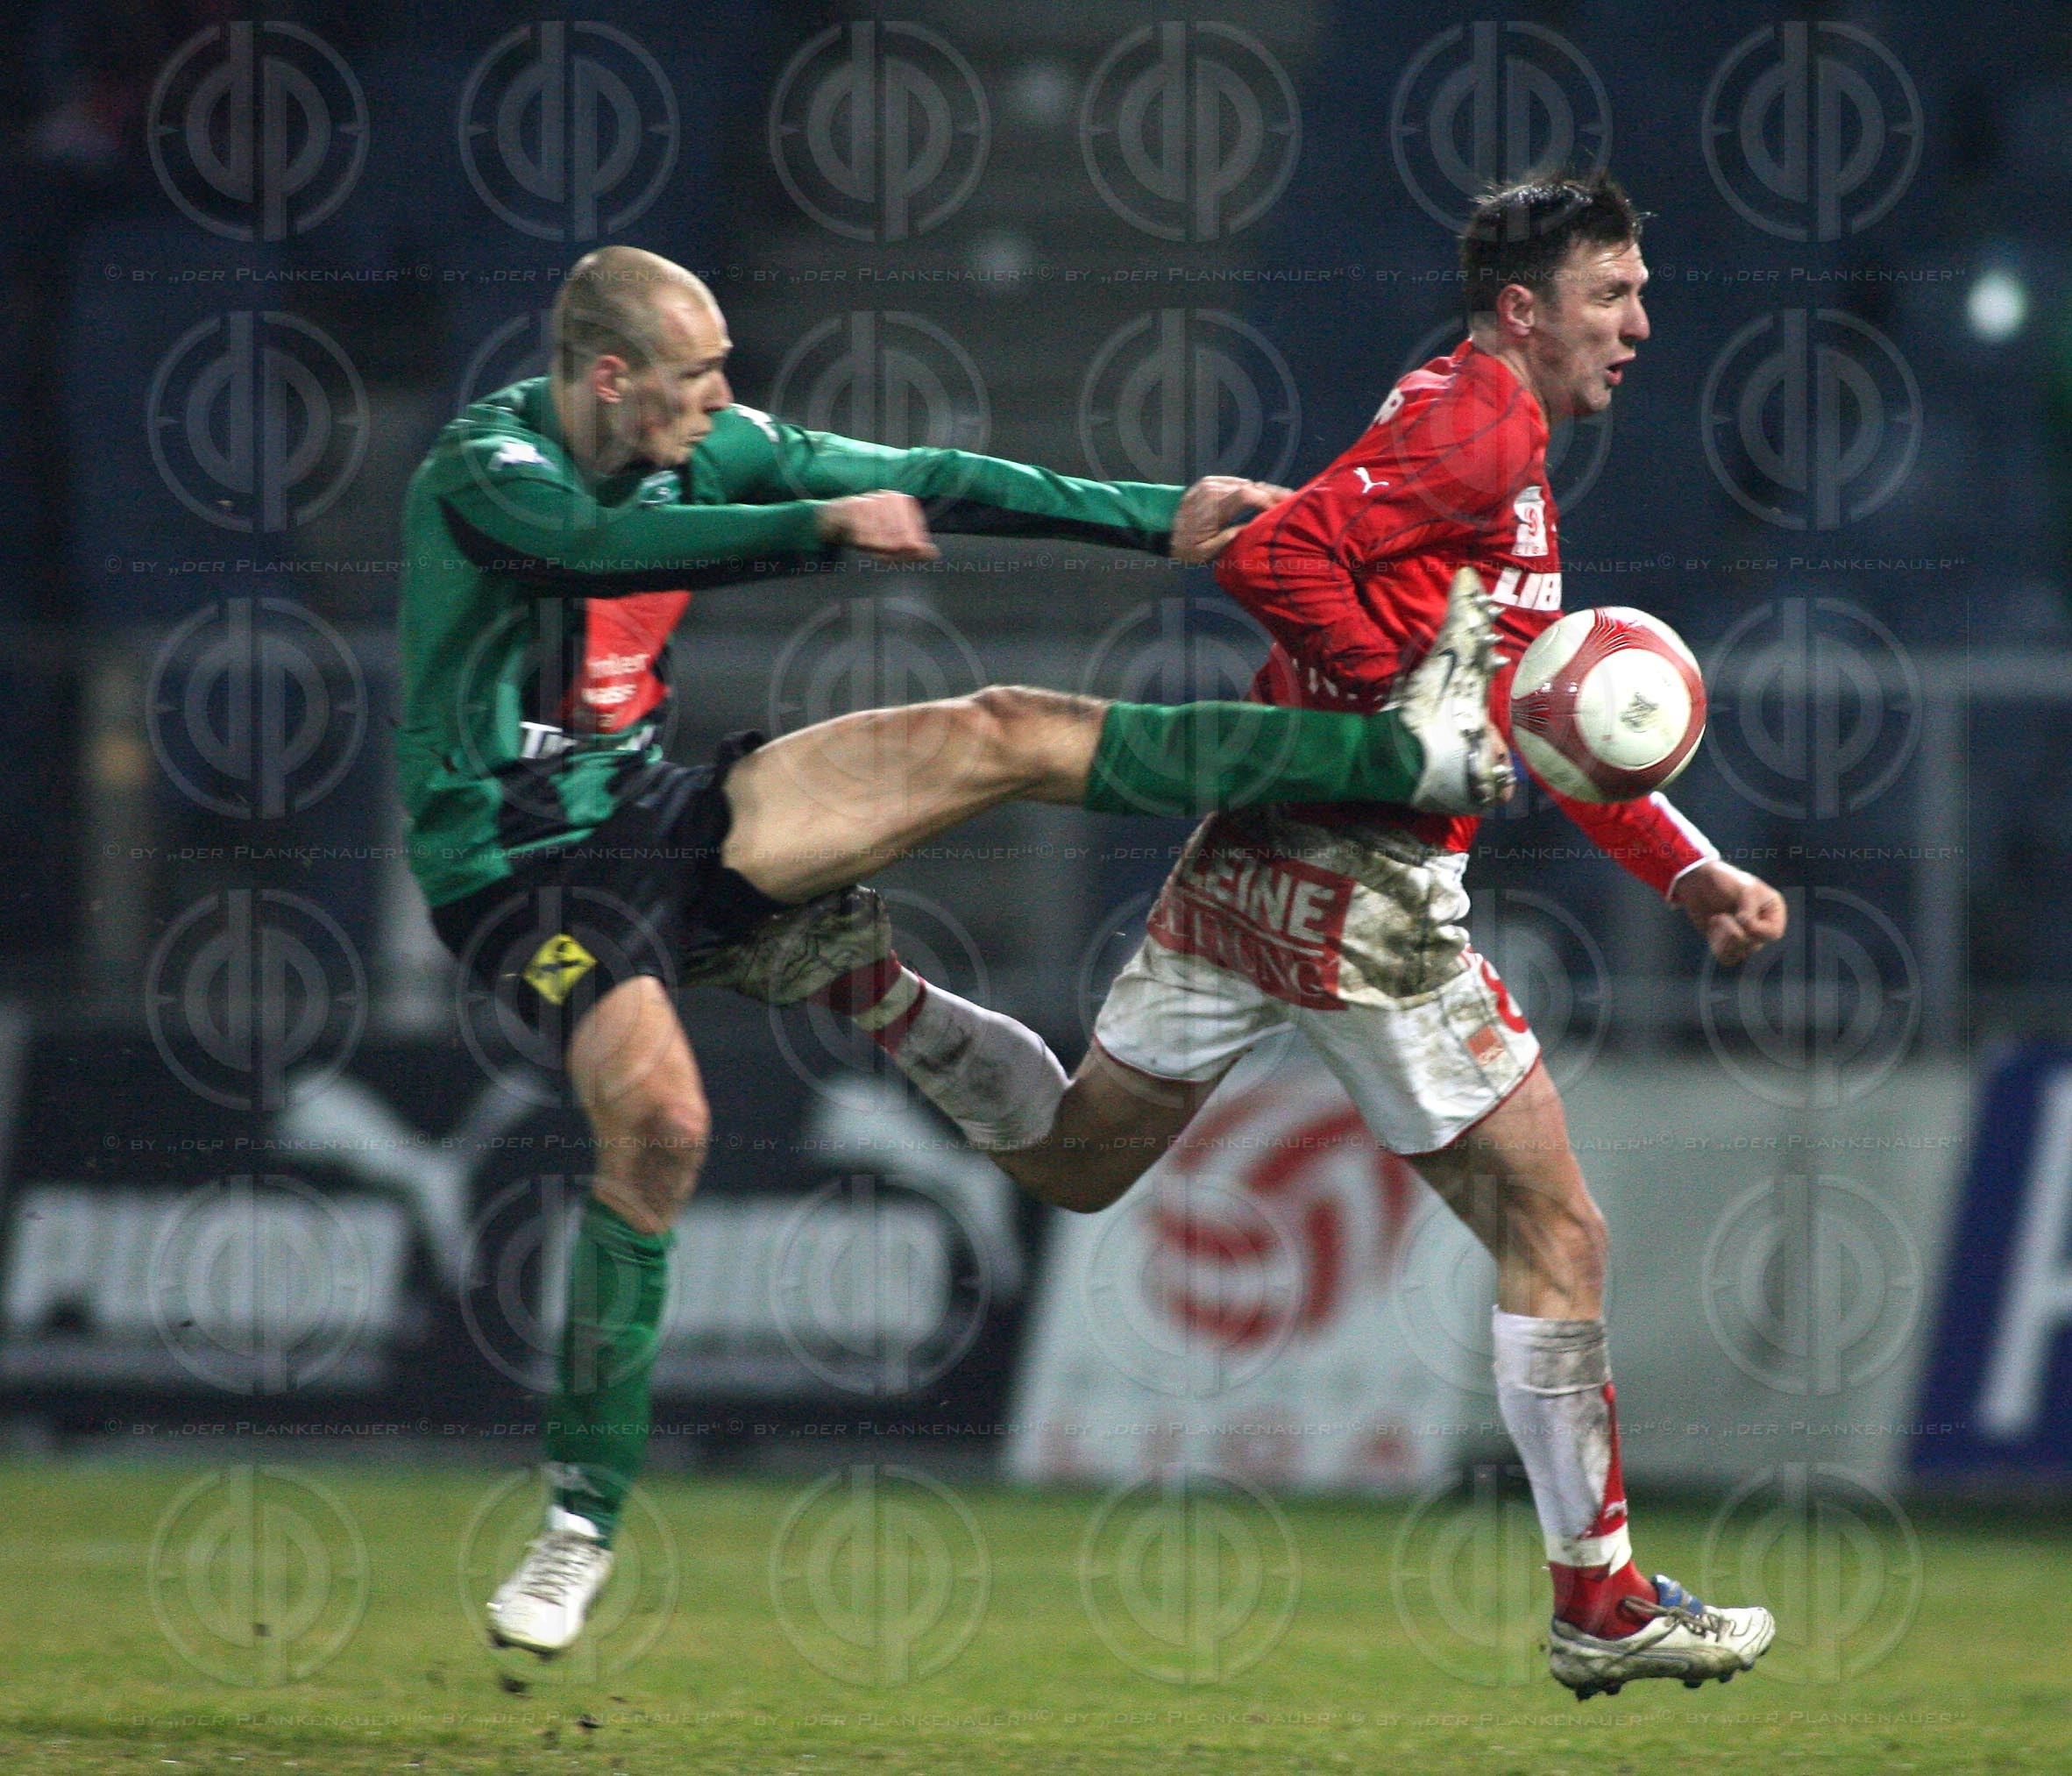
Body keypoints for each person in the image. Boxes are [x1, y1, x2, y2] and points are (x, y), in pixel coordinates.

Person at [394, 245, 1513, 1655]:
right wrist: (817, 528)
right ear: (608, 378)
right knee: (664, 1123)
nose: (723, 403)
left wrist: (1159, 513)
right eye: (697, 380)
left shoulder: (703, 441)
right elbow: (586, 551)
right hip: (515, 876)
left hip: (654, 812)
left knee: (1003, 729)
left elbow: (934, 471)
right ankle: (577, 1526)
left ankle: (1412, 748)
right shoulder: (485, 466)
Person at [983, 174, 1789, 1699]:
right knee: (1557, 1237)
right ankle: (1598, 1600)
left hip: (1259, 854)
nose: (1639, 321)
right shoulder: (1484, 420)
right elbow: (1273, 556)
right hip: (1371, 886)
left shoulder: (1475, 419)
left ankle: (875, 988)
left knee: (1078, 1157)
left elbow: (1524, 718)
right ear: (1523, 309)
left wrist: (1683, 869)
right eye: (1612, 293)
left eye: (1640, 290)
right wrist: (1403, 712)